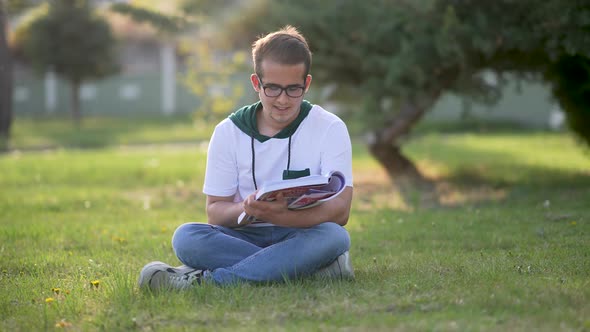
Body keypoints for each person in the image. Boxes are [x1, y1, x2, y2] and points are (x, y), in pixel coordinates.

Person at [138, 26, 354, 290]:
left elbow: (341, 211)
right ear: (256, 83)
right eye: (272, 88)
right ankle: (312, 270)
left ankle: (207, 283)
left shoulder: (330, 127)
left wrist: (283, 216)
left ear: (306, 84)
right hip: (243, 236)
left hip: (301, 233)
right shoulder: (228, 132)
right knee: (187, 236)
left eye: (293, 89)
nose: (283, 100)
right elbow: (215, 212)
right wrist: (246, 209)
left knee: (334, 236)